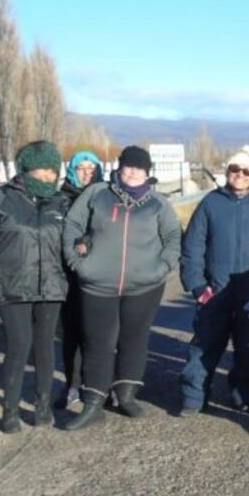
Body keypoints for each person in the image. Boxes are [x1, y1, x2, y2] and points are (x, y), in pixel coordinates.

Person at [61, 146, 182, 430]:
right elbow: (72, 224)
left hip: (144, 286)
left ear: (147, 172)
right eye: (128, 166)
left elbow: (173, 236)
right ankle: (93, 402)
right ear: (119, 168)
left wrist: (163, 266)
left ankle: (126, 395)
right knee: (98, 343)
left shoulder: (157, 203)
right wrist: (79, 262)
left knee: (134, 339)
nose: (132, 172)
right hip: (97, 284)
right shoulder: (97, 194)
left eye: (139, 168)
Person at [179, 147, 249, 415]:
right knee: (204, 345)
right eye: (234, 170)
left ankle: (244, 393)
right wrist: (197, 285)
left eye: (246, 171)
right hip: (215, 291)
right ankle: (194, 396)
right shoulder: (211, 203)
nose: (239, 175)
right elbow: (192, 248)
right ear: (227, 172)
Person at [0, 141, 71, 433]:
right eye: (41, 168)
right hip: (12, 290)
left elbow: (71, 246)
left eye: (52, 170)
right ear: (26, 167)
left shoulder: (60, 202)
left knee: (44, 347)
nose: (46, 175)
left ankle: (42, 407)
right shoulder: (0, 199)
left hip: (51, 288)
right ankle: (10, 411)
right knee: (18, 347)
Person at [54, 150, 104, 409]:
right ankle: (72, 384)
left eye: (91, 168)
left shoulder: (106, 198)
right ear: (72, 170)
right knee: (71, 332)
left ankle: (102, 384)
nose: (87, 172)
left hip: (101, 277)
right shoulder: (61, 199)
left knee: (101, 334)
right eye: (81, 168)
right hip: (70, 276)